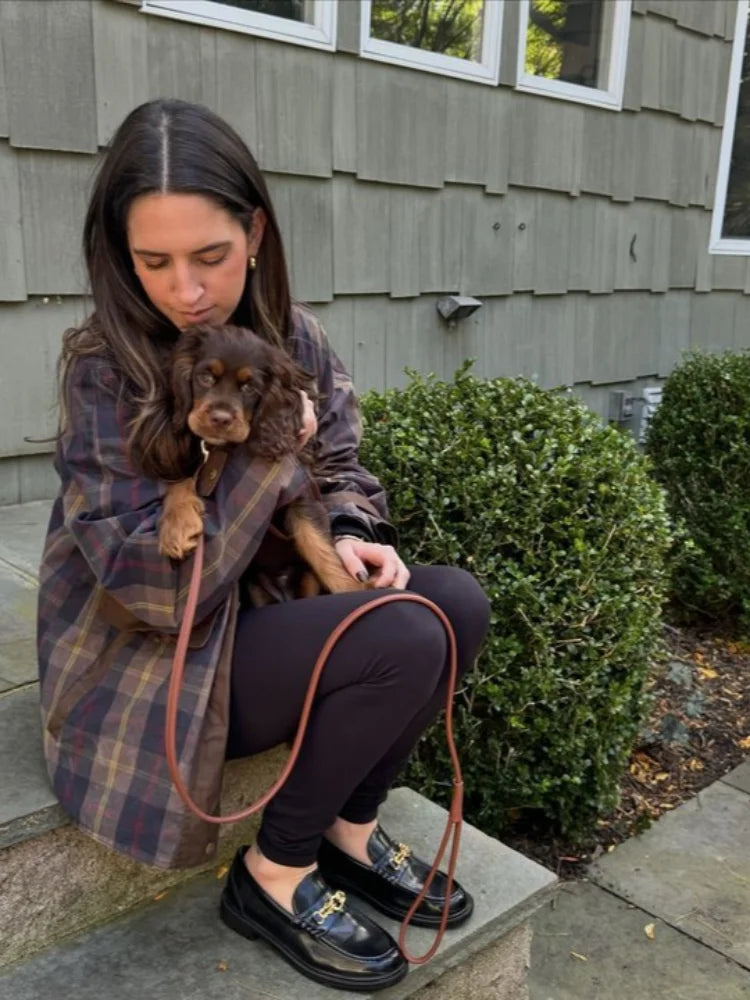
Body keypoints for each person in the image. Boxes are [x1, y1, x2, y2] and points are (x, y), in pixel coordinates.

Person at [37, 98, 490, 993]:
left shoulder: (297, 340)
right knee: (398, 637)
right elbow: (158, 592)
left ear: (254, 231)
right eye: (152, 261)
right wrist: (264, 456)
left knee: (452, 604)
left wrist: (354, 535)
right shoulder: (103, 366)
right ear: (118, 256)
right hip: (150, 658)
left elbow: (345, 466)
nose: (186, 288)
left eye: (209, 256)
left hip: (266, 615)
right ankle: (272, 874)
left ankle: (348, 828)